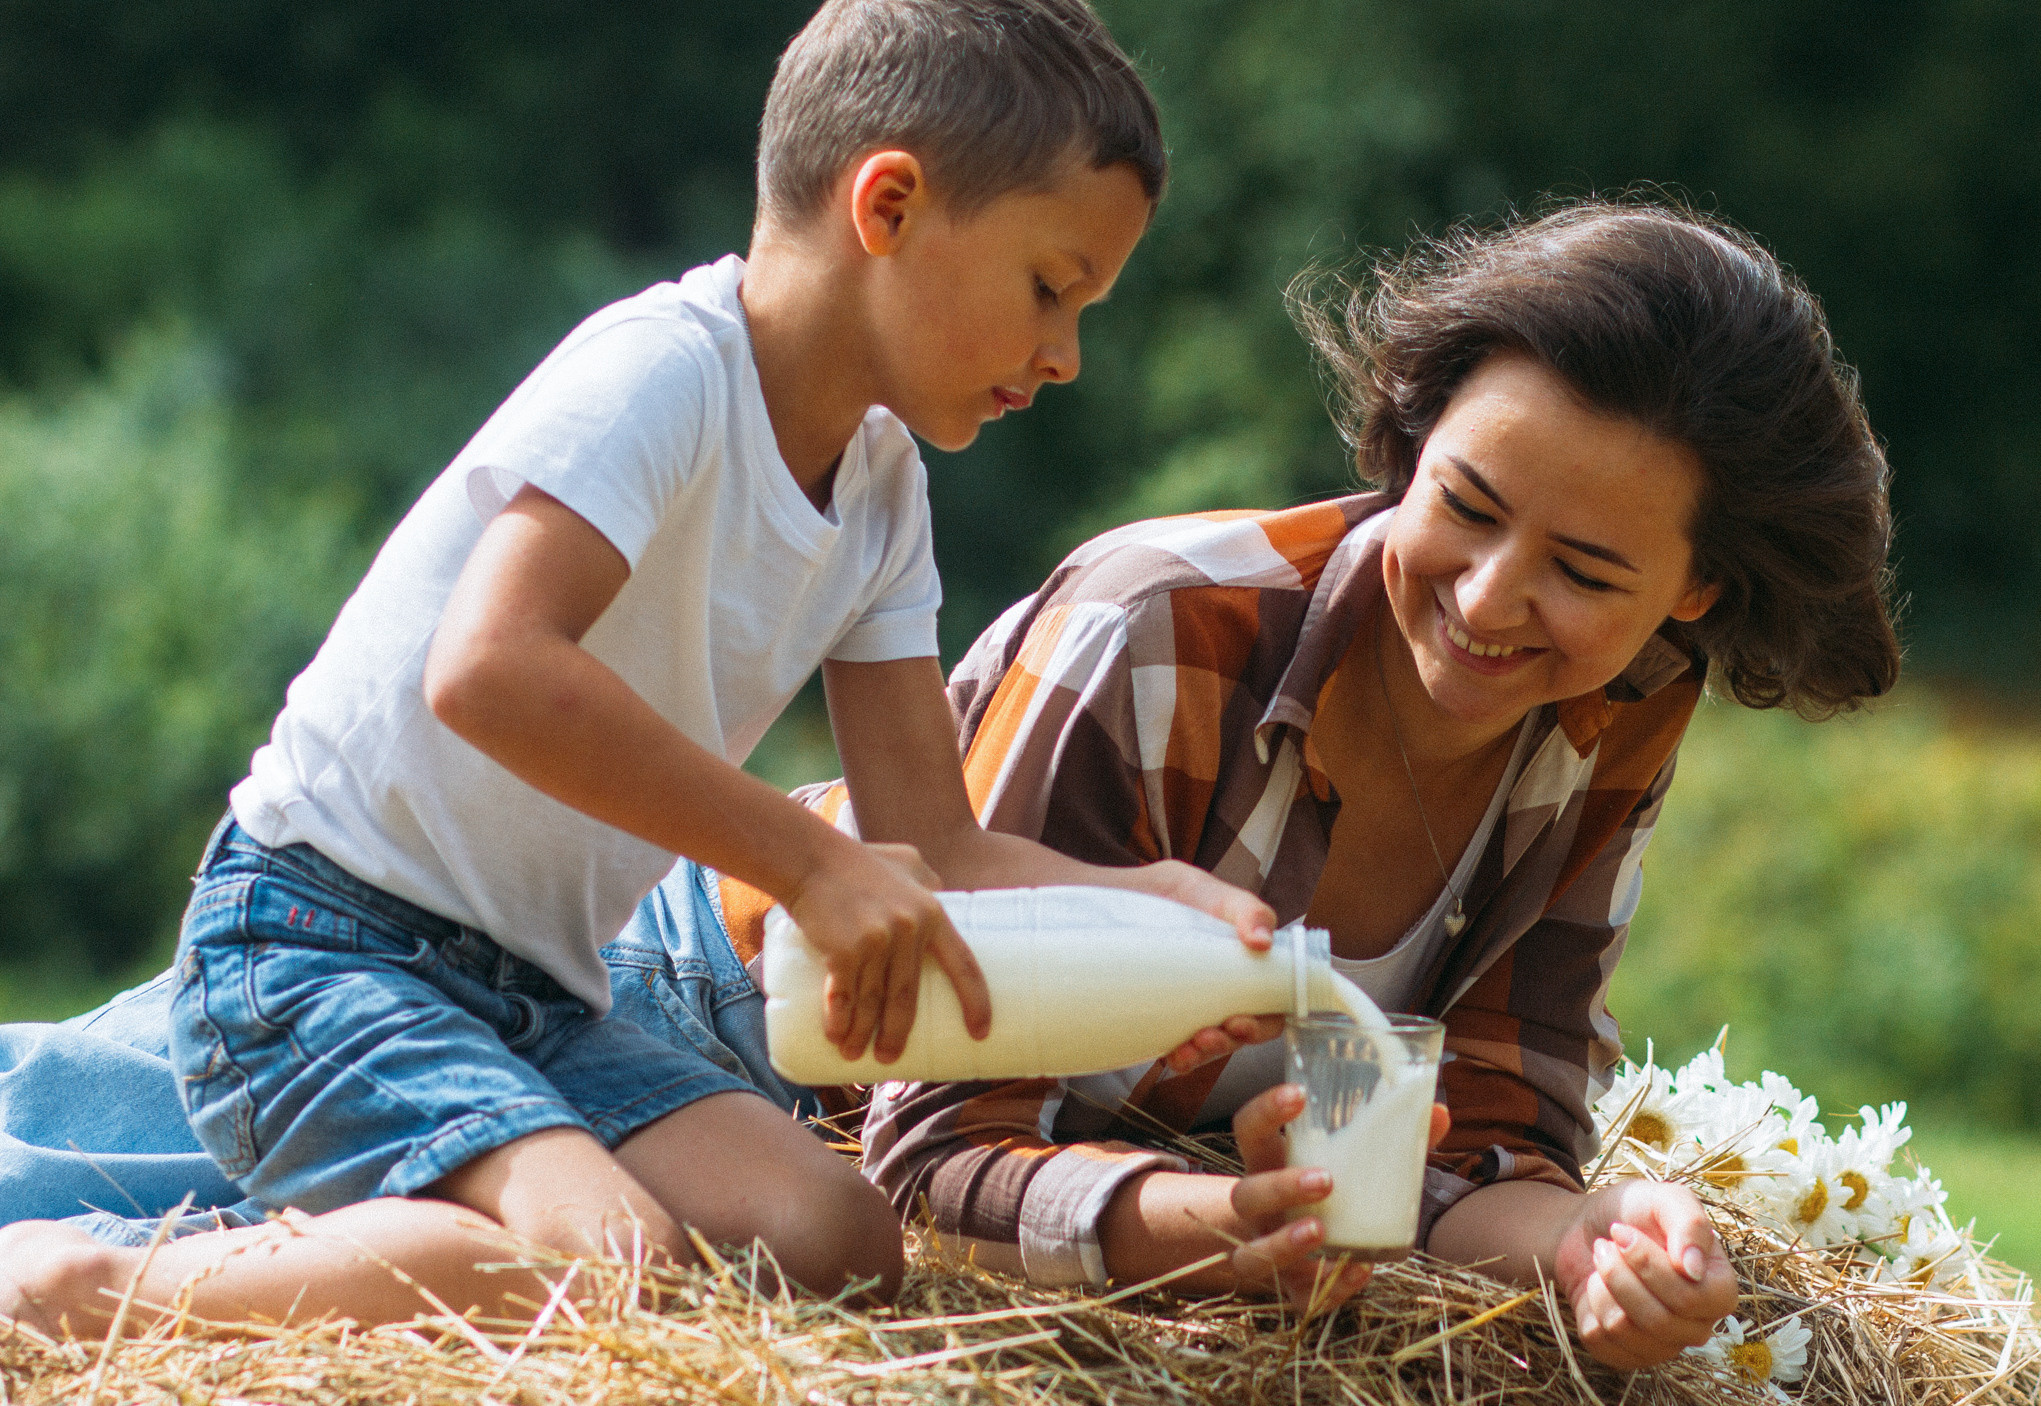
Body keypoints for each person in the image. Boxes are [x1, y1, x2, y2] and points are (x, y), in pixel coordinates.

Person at [0, 0, 1273, 1337]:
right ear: (888, 205)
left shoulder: (884, 492)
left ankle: (417, 1238)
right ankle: (76, 1283)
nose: (1065, 355)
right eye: (1051, 289)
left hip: (533, 989)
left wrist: (1150, 915)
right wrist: (808, 862)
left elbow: (939, 844)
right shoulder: (665, 372)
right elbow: (488, 668)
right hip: (318, 946)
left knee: (838, 1244)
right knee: (613, 1269)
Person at [722, 201, 1899, 1369]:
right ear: (1415, 441)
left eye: (1584, 573)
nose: (1487, 599)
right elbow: (926, 1157)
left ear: (1692, 591)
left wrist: (1584, 1242)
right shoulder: (1156, 632)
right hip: (747, 1039)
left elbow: (1482, 1141)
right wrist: (1223, 1227)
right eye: (1466, 506)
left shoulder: (1615, 707)